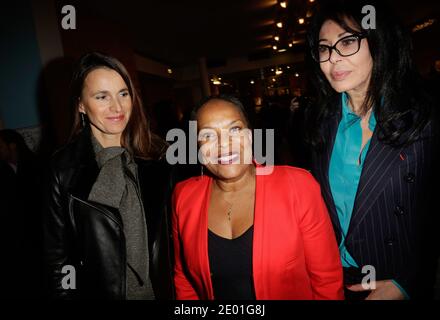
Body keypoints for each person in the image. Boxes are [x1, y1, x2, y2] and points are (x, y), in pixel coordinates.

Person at [306, 0, 439, 299]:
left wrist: (407, 281)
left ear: (379, 43)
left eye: (348, 41)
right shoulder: (320, 122)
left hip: (396, 279)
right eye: (324, 48)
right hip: (336, 280)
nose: (333, 59)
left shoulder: (424, 120)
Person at [172, 94, 344, 300]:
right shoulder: (184, 196)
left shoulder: (298, 185)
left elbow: (327, 280)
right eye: (207, 136)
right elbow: (183, 278)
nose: (223, 145)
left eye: (235, 129)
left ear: (251, 134)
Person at [44, 52, 174, 299]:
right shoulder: (63, 169)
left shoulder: (159, 155)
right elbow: (58, 262)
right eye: (102, 97)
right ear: (81, 104)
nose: (117, 107)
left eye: (123, 93)